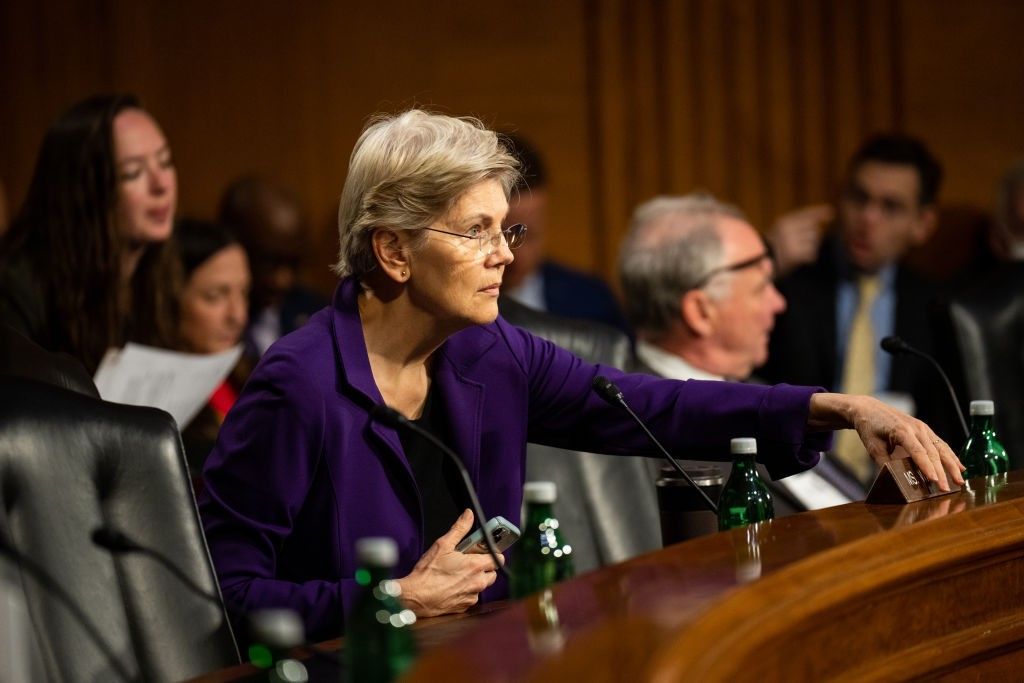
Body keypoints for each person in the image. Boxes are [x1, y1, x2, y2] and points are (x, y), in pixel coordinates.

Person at [198, 110, 963, 641]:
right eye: (476, 231)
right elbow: (226, 598)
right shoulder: (299, 385)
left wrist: (839, 407)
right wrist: (390, 600)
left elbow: (658, 404)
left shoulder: (491, 353)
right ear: (394, 251)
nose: (505, 254)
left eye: (508, 229)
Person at [620, 193, 864, 506]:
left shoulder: (762, 390)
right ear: (701, 312)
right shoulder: (651, 434)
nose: (779, 303)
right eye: (762, 286)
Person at [760, 133, 956, 489]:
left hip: (900, 487)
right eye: (858, 198)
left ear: (923, 224)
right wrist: (767, 264)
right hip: (799, 480)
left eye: (890, 207)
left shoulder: (937, 306)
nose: (867, 218)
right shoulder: (789, 287)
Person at [0, 94, 178, 374]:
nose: (161, 185)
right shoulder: (17, 288)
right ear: (85, 192)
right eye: (133, 173)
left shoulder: (158, 270)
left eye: (165, 162)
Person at [501, 134, 631, 335]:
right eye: (502, 235)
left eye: (531, 235)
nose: (517, 256)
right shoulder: (448, 308)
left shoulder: (591, 299)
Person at [172, 217, 253, 470]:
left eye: (244, 293)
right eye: (215, 296)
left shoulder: (251, 374)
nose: (237, 315)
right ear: (172, 298)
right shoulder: (160, 401)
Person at [218, 176, 327, 357]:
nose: (282, 280)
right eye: (269, 261)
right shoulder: (211, 321)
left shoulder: (318, 315)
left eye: (293, 263)